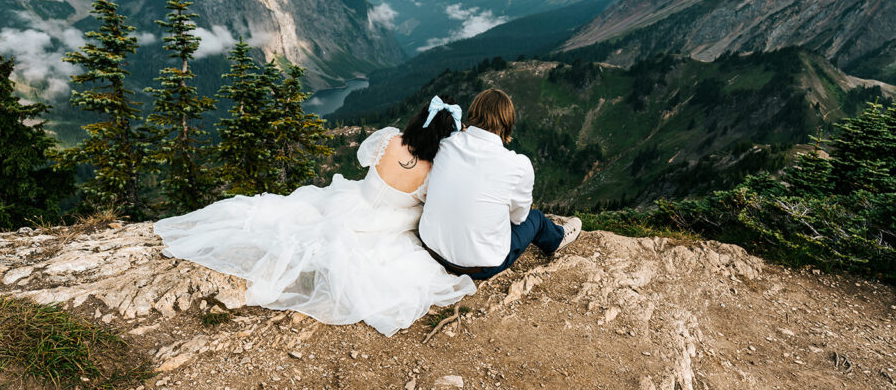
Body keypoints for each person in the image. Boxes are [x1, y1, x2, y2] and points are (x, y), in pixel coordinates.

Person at [154, 96, 476, 336]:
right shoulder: (435, 172)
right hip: (386, 223)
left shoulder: (388, 139)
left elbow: (364, 159)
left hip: (348, 204)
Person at [419, 88, 582, 280]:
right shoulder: (518, 165)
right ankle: (557, 238)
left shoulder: (446, 143)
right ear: (507, 122)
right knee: (535, 218)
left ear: (474, 112)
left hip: (431, 248)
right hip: (479, 266)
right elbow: (519, 218)